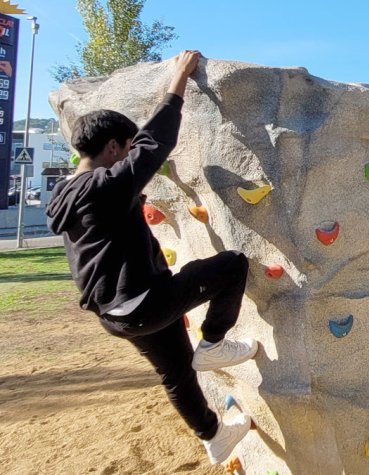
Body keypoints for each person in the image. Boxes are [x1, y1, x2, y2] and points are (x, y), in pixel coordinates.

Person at [46, 51, 258, 465]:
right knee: (232, 265)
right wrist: (178, 79)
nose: (130, 157)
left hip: (115, 314)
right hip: (145, 302)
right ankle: (214, 343)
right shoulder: (104, 186)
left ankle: (213, 436)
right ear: (111, 148)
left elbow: (121, 190)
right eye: (125, 150)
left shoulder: (65, 193)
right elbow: (155, 142)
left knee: (176, 372)